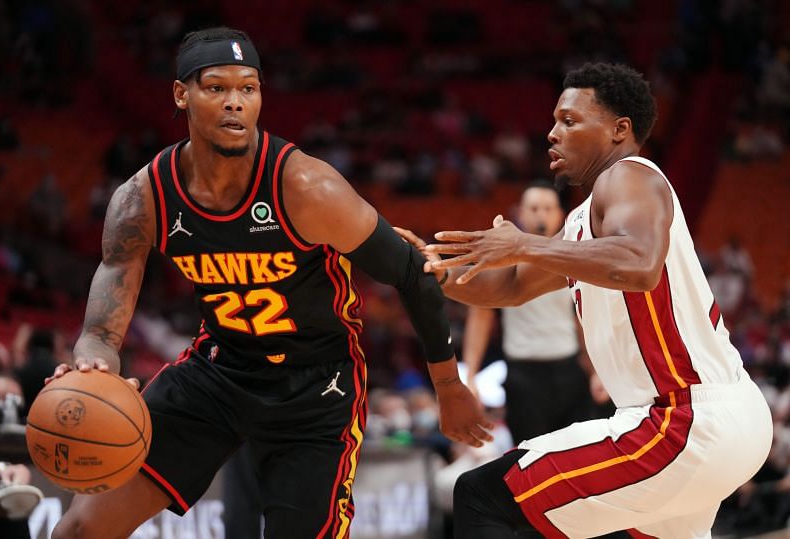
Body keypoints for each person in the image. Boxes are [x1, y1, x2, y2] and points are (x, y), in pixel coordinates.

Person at [47, 26, 491, 539]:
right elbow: (102, 326)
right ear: (180, 94)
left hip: (316, 385)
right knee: (78, 531)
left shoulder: (306, 186)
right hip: (220, 370)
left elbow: (413, 273)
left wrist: (448, 386)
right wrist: (92, 364)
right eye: (216, 88)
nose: (235, 102)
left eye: (248, 88)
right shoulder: (144, 198)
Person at [397, 62, 772, 538]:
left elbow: (638, 263)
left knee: (484, 496)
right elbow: (511, 287)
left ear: (620, 130)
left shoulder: (628, 176)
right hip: (713, 427)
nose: (552, 133)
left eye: (570, 121)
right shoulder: (581, 223)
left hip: (684, 421)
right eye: (554, 120)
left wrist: (524, 244)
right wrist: (428, 271)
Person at [462, 180, 596, 443]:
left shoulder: (574, 255)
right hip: (523, 374)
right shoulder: (500, 258)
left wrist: (595, 371)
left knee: (574, 456)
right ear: (520, 213)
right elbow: (481, 315)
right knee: (529, 457)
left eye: (548, 208)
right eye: (533, 208)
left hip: (569, 371)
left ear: (560, 214)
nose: (541, 215)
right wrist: (470, 376)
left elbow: (584, 319)